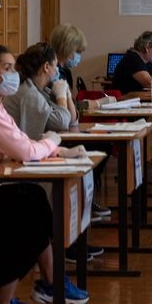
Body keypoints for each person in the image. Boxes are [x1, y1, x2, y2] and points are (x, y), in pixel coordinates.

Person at [0, 43, 90, 304]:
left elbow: (21, 144)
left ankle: (39, 287)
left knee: (34, 199)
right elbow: (25, 150)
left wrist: (57, 150)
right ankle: (44, 284)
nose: (13, 74)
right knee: (29, 205)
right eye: (7, 69)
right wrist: (52, 142)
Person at [50, 24, 112, 224]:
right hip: (54, 129)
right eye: (77, 51)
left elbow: (72, 110)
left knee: (104, 144)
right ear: (67, 47)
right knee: (97, 147)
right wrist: (94, 104)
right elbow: (65, 110)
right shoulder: (52, 72)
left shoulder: (65, 72)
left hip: (68, 124)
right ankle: (83, 202)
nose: (79, 56)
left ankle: (88, 199)